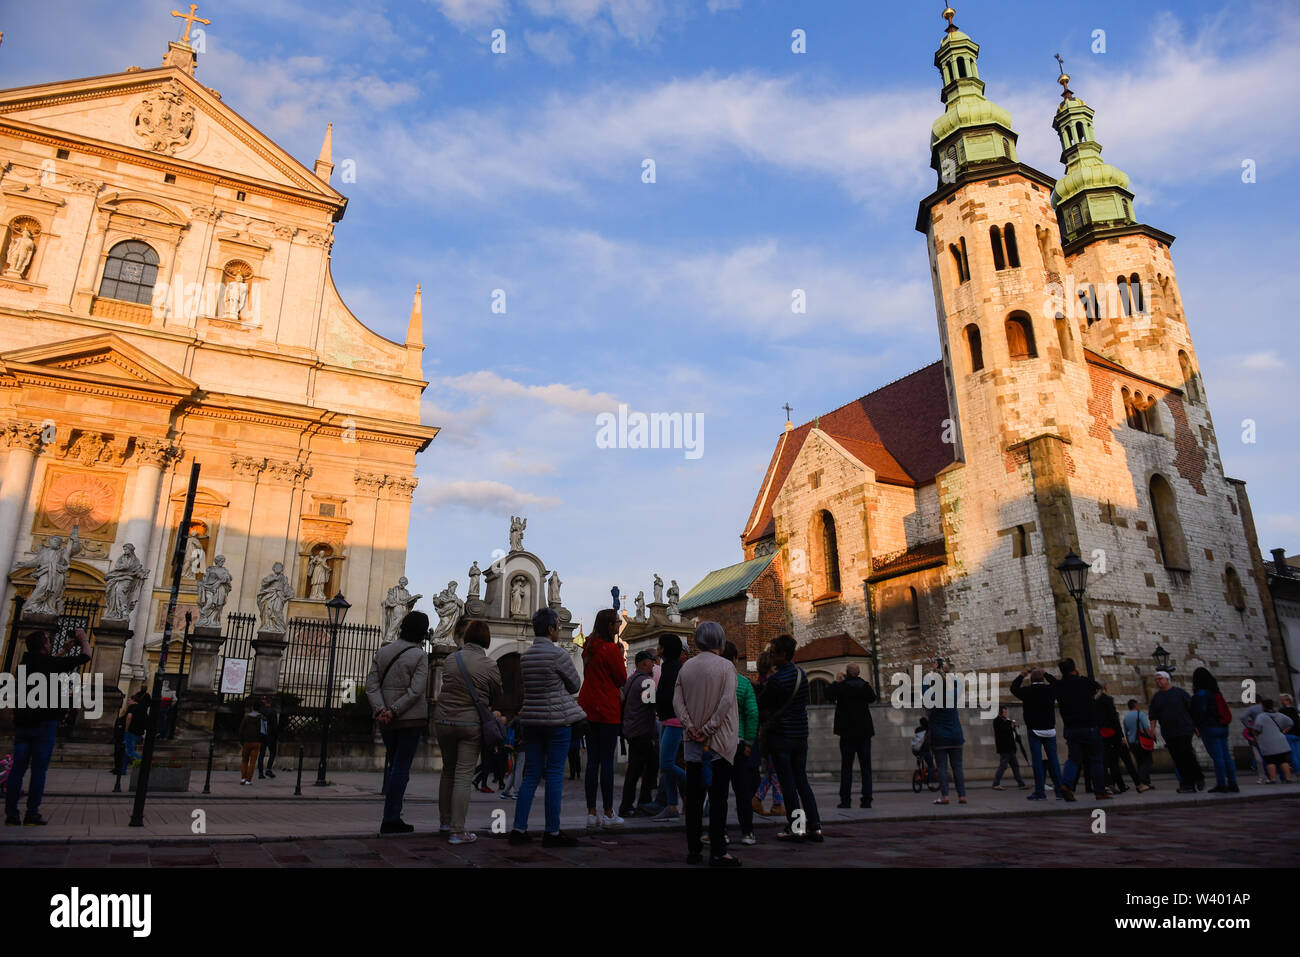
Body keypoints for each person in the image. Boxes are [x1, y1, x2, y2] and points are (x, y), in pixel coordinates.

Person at [509, 607, 586, 847]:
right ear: (551, 629)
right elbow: (574, 685)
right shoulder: (559, 655)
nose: (559, 630)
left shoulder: (526, 657)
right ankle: (552, 832)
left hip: (532, 720)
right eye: (558, 626)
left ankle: (518, 829)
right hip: (556, 722)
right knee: (554, 775)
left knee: (531, 775)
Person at [5, 628, 91, 826]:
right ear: (44, 646)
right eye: (47, 641)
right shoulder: (50, 664)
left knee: (17, 770)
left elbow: (47, 664)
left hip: (23, 724)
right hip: (44, 724)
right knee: (38, 771)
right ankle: (32, 813)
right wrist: (83, 638)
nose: (50, 643)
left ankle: (11, 814)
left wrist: (63, 651)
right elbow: (86, 656)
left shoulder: (24, 664)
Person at [674, 621, 739, 866]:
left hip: (692, 743)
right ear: (719, 641)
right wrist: (708, 728)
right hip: (719, 742)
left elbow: (677, 702)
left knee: (694, 799)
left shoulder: (686, 667)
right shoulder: (726, 666)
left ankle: (693, 850)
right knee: (719, 798)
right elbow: (725, 702)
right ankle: (719, 851)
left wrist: (690, 727)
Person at [434, 619, 502, 844]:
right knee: (463, 777)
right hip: (470, 724)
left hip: (444, 720)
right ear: (486, 638)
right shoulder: (489, 664)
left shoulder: (452, 659)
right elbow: (497, 693)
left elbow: (446, 683)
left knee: (448, 772)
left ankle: (444, 822)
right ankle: (457, 830)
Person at [365, 610, 431, 834]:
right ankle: (391, 817)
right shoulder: (420, 656)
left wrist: (381, 709)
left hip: (386, 721)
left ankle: (393, 815)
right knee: (401, 768)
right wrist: (394, 710)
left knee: (394, 765)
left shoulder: (383, 652)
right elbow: (416, 691)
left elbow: (371, 686)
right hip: (409, 720)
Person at [759, 634, 821, 841]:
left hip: (782, 735)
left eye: (773, 652)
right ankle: (815, 826)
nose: (770, 655)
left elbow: (763, 703)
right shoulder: (801, 675)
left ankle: (796, 827)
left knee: (788, 783)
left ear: (782, 655)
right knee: (802, 781)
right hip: (800, 734)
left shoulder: (776, 680)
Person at [577, 608, 627, 828]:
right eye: (617, 622)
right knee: (606, 761)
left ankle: (590, 812)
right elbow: (621, 678)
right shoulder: (610, 649)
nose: (618, 625)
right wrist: (620, 655)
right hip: (606, 709)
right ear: (609, 626)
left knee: (592, 763)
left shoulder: (589, 646)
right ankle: (608, 812)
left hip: (588, 708)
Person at [721, 642, 758, 844]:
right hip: (739, 740)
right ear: (735, 659)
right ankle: (747, 832)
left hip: (718, 742)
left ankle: (721, 832)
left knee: (719, 791)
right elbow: (752, 713)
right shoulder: (743, 683)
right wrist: (750, 741)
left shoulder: (714, 682)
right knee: (743, 789)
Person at [1055, 658, 1108, 802]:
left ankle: (1067, 785)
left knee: (1073, 759)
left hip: (1071, 728)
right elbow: (1097, 687)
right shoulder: (1084, 682)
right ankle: (1100, 791)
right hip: (1089, 726)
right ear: (1074, 668)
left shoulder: (1059, 686)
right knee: (1096, 759)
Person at [825, 662, 877, 808]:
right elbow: (872, 698)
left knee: (846, 767)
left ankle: (845, 800)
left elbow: (828, 694)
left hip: (847, 733)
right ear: (858, 673)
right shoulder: (864, 686)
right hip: (864, 732)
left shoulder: (842, 686)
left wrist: (837, 681)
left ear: (847, 673)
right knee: (866, 767)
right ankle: (867, 799)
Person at [1010, 668, 1063, 800]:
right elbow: (1057, 683)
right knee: (1054, 761)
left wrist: (1022, 675)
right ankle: (1060, 791)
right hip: (1050, 729)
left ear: (1031, 680)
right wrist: (1046, 673)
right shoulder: (1050, 689)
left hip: (1034, 729)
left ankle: (1040, 792)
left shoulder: (1027, 691)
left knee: (1037, 761)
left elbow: (1013, 688)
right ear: (1043, 679)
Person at [1148, 670, 1204, 793]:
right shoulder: (1157, 698)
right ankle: (1188, 783)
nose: (1158, 682)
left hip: (1184, 729)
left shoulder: (1180, 693)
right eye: (1156, 679)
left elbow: (1192, 710)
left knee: (1186, 754)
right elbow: (1152, 715)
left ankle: (1196, 778)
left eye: (1160, 679)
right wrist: (1152, 730)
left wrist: (1196, 727)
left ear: (1167, 679)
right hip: (1169, 731)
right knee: (1177, 757)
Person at [619, 649, 659, 817]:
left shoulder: (631, 679)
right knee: (648, 767)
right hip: (642, 731)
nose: (654, 664)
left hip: (631, 730)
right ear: (644, 663)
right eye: (651, 661)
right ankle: (642, 802)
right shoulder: (646, 682)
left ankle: (631, 804)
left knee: (635, 769)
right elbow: (652, 706)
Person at [652, 633, 687, 822]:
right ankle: (672, 805)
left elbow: (670, 695)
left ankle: (694, 783)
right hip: (667, 720)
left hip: (674, 720)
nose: (657, 649)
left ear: (664, 649)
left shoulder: (674, 668)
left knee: (666, 763)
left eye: (659, 646)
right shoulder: (668, 667)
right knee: (667, 766)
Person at [1190, 667, 1237, 793]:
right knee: (1226, 756)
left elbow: (1199, 713)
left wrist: (1197, 726)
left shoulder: (1201, 694)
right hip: (1222, 727)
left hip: (1210, 727)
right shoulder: (1216, 693)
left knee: (1218, 757)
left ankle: (1221, 784)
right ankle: (1233, 783)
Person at [751, 650, 785, 818]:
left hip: (765, 732)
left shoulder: (760, 683)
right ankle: (772, 802)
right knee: (775, 769)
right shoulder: (769, 684)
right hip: (771, 732)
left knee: (773, 769)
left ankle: (763, 800)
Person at [926, 666, 966, 805]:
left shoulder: (931, 698)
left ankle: (945, 796)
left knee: (942, 767)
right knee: (957, 767)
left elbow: (924, 689)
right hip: (955, 735)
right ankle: (962, 796)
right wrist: (949, 673)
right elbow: (960, 685)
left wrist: (930, 673)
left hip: (939, 738)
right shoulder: (952, 695)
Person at [1252, 699, 1294, 783]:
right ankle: (1288, 778)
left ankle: (1273, 779)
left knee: (1270, 761)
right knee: (1283, 760)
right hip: (1280, 740)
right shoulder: (1279, 715)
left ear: (1263, 706)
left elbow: (1257, 728)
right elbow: (1290, 722)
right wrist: (1284, 731)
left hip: (1268, 742)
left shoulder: (1261, 716)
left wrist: (1255, 735)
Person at [1122, 699, 1155, 790]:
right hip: (1142, 742)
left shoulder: (1126, 718)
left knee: (1140, 762)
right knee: (1148, 761)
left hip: (1132, 743)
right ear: (1135, 705)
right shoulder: (1140, 714)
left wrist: (1129, 744)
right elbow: (1146, 728)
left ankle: (1146, 783)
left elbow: (1126, 732)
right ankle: (1141, 779)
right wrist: (1152, 736)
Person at [991, 706, 1026, 790]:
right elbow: (1003, 730)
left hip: (1011, 748)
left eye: (1006, 712)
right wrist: (1011, 725)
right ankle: (996, 783)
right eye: (1004, 712)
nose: (1006, 713)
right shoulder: (997, 721)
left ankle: (1021, 784)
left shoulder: (1008, 721)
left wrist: (1015, 729)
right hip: (1004, 748)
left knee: (1015, 766)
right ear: (1000, 713)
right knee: (1003, 766)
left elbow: (1013, 733)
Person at [120, 690, 151, 775]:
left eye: (129, 700)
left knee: (129, 751)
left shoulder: (132, 707)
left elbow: (129, 717)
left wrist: (126, 729)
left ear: (134, 700)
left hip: (131, 731)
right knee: (127, 751)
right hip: (139, 733)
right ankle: (123, 769)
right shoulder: (143, 709)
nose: (128, 702)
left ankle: (145, 765)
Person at [238, 700, 262, 786]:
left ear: (252, 708)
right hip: (256, 742)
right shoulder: (262, 718)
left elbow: (241, 730)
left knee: (244, 760)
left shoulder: (246, 717)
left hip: (246, 742)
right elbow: (264, 732)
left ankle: (243, 778)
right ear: (260, 709)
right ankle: (248, 780)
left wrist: (242, 741)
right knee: (252, 762)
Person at [256, 695, 279, 779]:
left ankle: (260, 773)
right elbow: (274, 725)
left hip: (262, 734)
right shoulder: (273, 711)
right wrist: (276, 735)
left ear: (265, 701)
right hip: (271, 735)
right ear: (271, 702)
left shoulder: (260, 710)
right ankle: (268, 769)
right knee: (272, 753)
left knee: (261, 753)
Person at [1280, 694, 1300, 772]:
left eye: (1282, 700)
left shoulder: (1282, 711)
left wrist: (1285, 730)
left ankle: (1298, 771)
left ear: (1286, 701)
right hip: (1297, 734)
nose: (1281, 701)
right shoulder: (1295, 710)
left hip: (1289, 734)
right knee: (1298, 754)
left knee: (1293, 754)